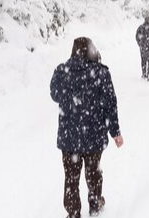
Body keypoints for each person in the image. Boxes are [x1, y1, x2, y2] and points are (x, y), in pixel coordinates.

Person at [50, 37, 123, 218]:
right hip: (94, 135)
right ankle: (95, 203)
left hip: (70, 138)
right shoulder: (101, 73)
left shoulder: (62, 71)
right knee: (94, 173)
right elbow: (110, 104)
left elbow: (55, 95)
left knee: (71, 179)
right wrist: (116, 132)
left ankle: (73, 212)